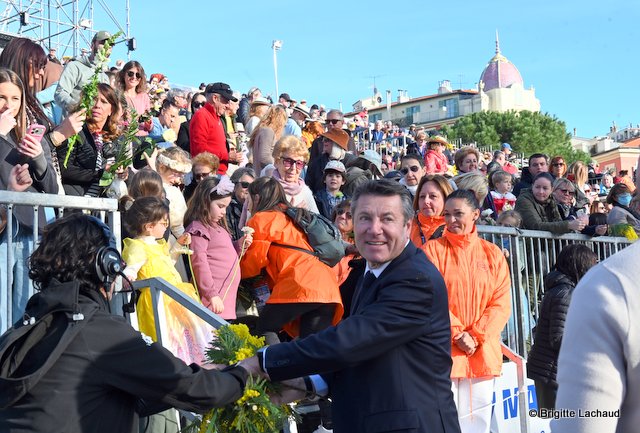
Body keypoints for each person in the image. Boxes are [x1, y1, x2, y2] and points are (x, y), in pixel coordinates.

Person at [239, 179, 460, 433]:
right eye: (365, 218)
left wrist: (262, 362)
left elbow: (350, 342)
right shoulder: (372, 269)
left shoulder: (415, 279)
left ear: (407, 225)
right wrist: (309, 383)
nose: (374, 229)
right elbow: (368, 356)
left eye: (387, 219)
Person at [0, 213, 249, 432]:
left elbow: (111, 395)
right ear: (106, 265)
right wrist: (245, 372)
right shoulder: (98, 333)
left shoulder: (24, 329)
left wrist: (203, 371)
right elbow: (195, 390)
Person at [423, 189, 511, 433]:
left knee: (477, 425)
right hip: (443, 352)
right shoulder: (431, 251)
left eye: (458, 214)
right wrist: (458, 334)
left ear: (475, 214)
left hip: (481, 352)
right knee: (442, 423)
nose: (451, 220)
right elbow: (428, 298)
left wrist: (475, 336)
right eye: (447, 214)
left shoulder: (493, 253)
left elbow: (501, 303)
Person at [240, 176, 343, 345]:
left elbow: (254, 263)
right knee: (311, 346)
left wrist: (237, 270)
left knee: (266, 327)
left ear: (256, 198)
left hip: (299, 283)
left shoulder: (261, 218)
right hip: (327, 287)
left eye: (248, 199)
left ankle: (273, 363)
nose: (248, 204)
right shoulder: (294, 215)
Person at [552, 240, 640, 433]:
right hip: (553, 369)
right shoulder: (589, 288)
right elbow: (556, 335)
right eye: (592, 261)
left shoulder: (605, 282)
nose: (597, 263)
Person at [0, 68, 59, 327]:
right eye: (2, 97)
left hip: (31, 230)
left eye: (15, 98)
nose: (8, 105)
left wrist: (39, 158)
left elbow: (53, 189)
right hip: (3, 229)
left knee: (25, 312)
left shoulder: (30, 134)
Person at [527, 244, 598, 411]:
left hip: (551, 371)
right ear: (580, 264)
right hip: (553, 373)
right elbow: (558, 338)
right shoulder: (565, 294)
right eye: (592, 263)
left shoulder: (562, 289)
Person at [185, 176, 253, 321]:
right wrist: (211, 294)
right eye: (220, 206)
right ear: (205, 202)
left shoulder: (219, 228)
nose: (224, 212)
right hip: (212, 301)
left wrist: (240, 244)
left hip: (226, 300)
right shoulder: (199, 228)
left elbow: (225, 253)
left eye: (226, 207)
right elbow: (199, 262)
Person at [56, 82, 119, 197]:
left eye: (104, 102)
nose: (97, 105)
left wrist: (122, 173)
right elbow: (63, 169)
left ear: (111, 110)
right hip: (77, 199)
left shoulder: (113, 138)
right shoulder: (74, 130)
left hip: (103, 203)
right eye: (94, 99)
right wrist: (98, 174)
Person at [54, 30, 112, 114]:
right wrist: (78, 108)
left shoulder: (105, 77)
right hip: (75, 120)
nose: (107, 47)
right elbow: (60, 93)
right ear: (92, 45)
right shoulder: (75, 66)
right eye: (103, 43)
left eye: (110, 45)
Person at [189, 82, 240, 174]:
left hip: (217, 173)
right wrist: (227, 156)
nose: (228, 105)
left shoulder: (217, 117)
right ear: (215, 98)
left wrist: (229, 157)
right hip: (208, 174)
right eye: (225, 101)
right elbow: (199, 150)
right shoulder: (201, 116)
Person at [514, 172, 585, 234]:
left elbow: (558, 221)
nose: (541, 191)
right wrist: (568, 225)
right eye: (537, 187)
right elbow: (535, 225)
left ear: (551, 190)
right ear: (532, 186)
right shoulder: (523, 200)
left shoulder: (551, 200)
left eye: (545, 188)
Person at [272, 135, 319, 213]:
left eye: (299, 163)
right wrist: (291, 214)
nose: (293, 168)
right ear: (277, 161)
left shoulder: (304, 191)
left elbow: (316, 218)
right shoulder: (267, 189)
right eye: (288, 161)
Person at [410, 174, 453, 247]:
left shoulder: (455, 229)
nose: (426, 201)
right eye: (422, 196)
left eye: (433, 196)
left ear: (446, 199)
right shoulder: (407, 227)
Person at [248, 105, 287, 175]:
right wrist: (278, 167)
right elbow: (264, 157)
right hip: (264, 175)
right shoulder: (267, 132)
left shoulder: (263, 130)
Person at [226, 167, 255, 241]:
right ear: (234, 186)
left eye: (253, 186)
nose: (249, 189)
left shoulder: (257, 209)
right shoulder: (226, 208)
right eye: (245, 185)